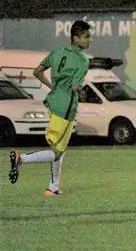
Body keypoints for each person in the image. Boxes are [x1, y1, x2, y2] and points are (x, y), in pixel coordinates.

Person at [8, 20, 92, 197]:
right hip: (66, 106)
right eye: (86, 36)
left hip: (53, 102)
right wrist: (81, 88)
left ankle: (53, 186)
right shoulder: (82, 60)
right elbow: (75, 87)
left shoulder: (57, 52)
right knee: (56, 152)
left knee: (59, 147)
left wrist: (52, 85)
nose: (89, 40)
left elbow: (37, 71)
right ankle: (21, 159)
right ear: (75, 39)